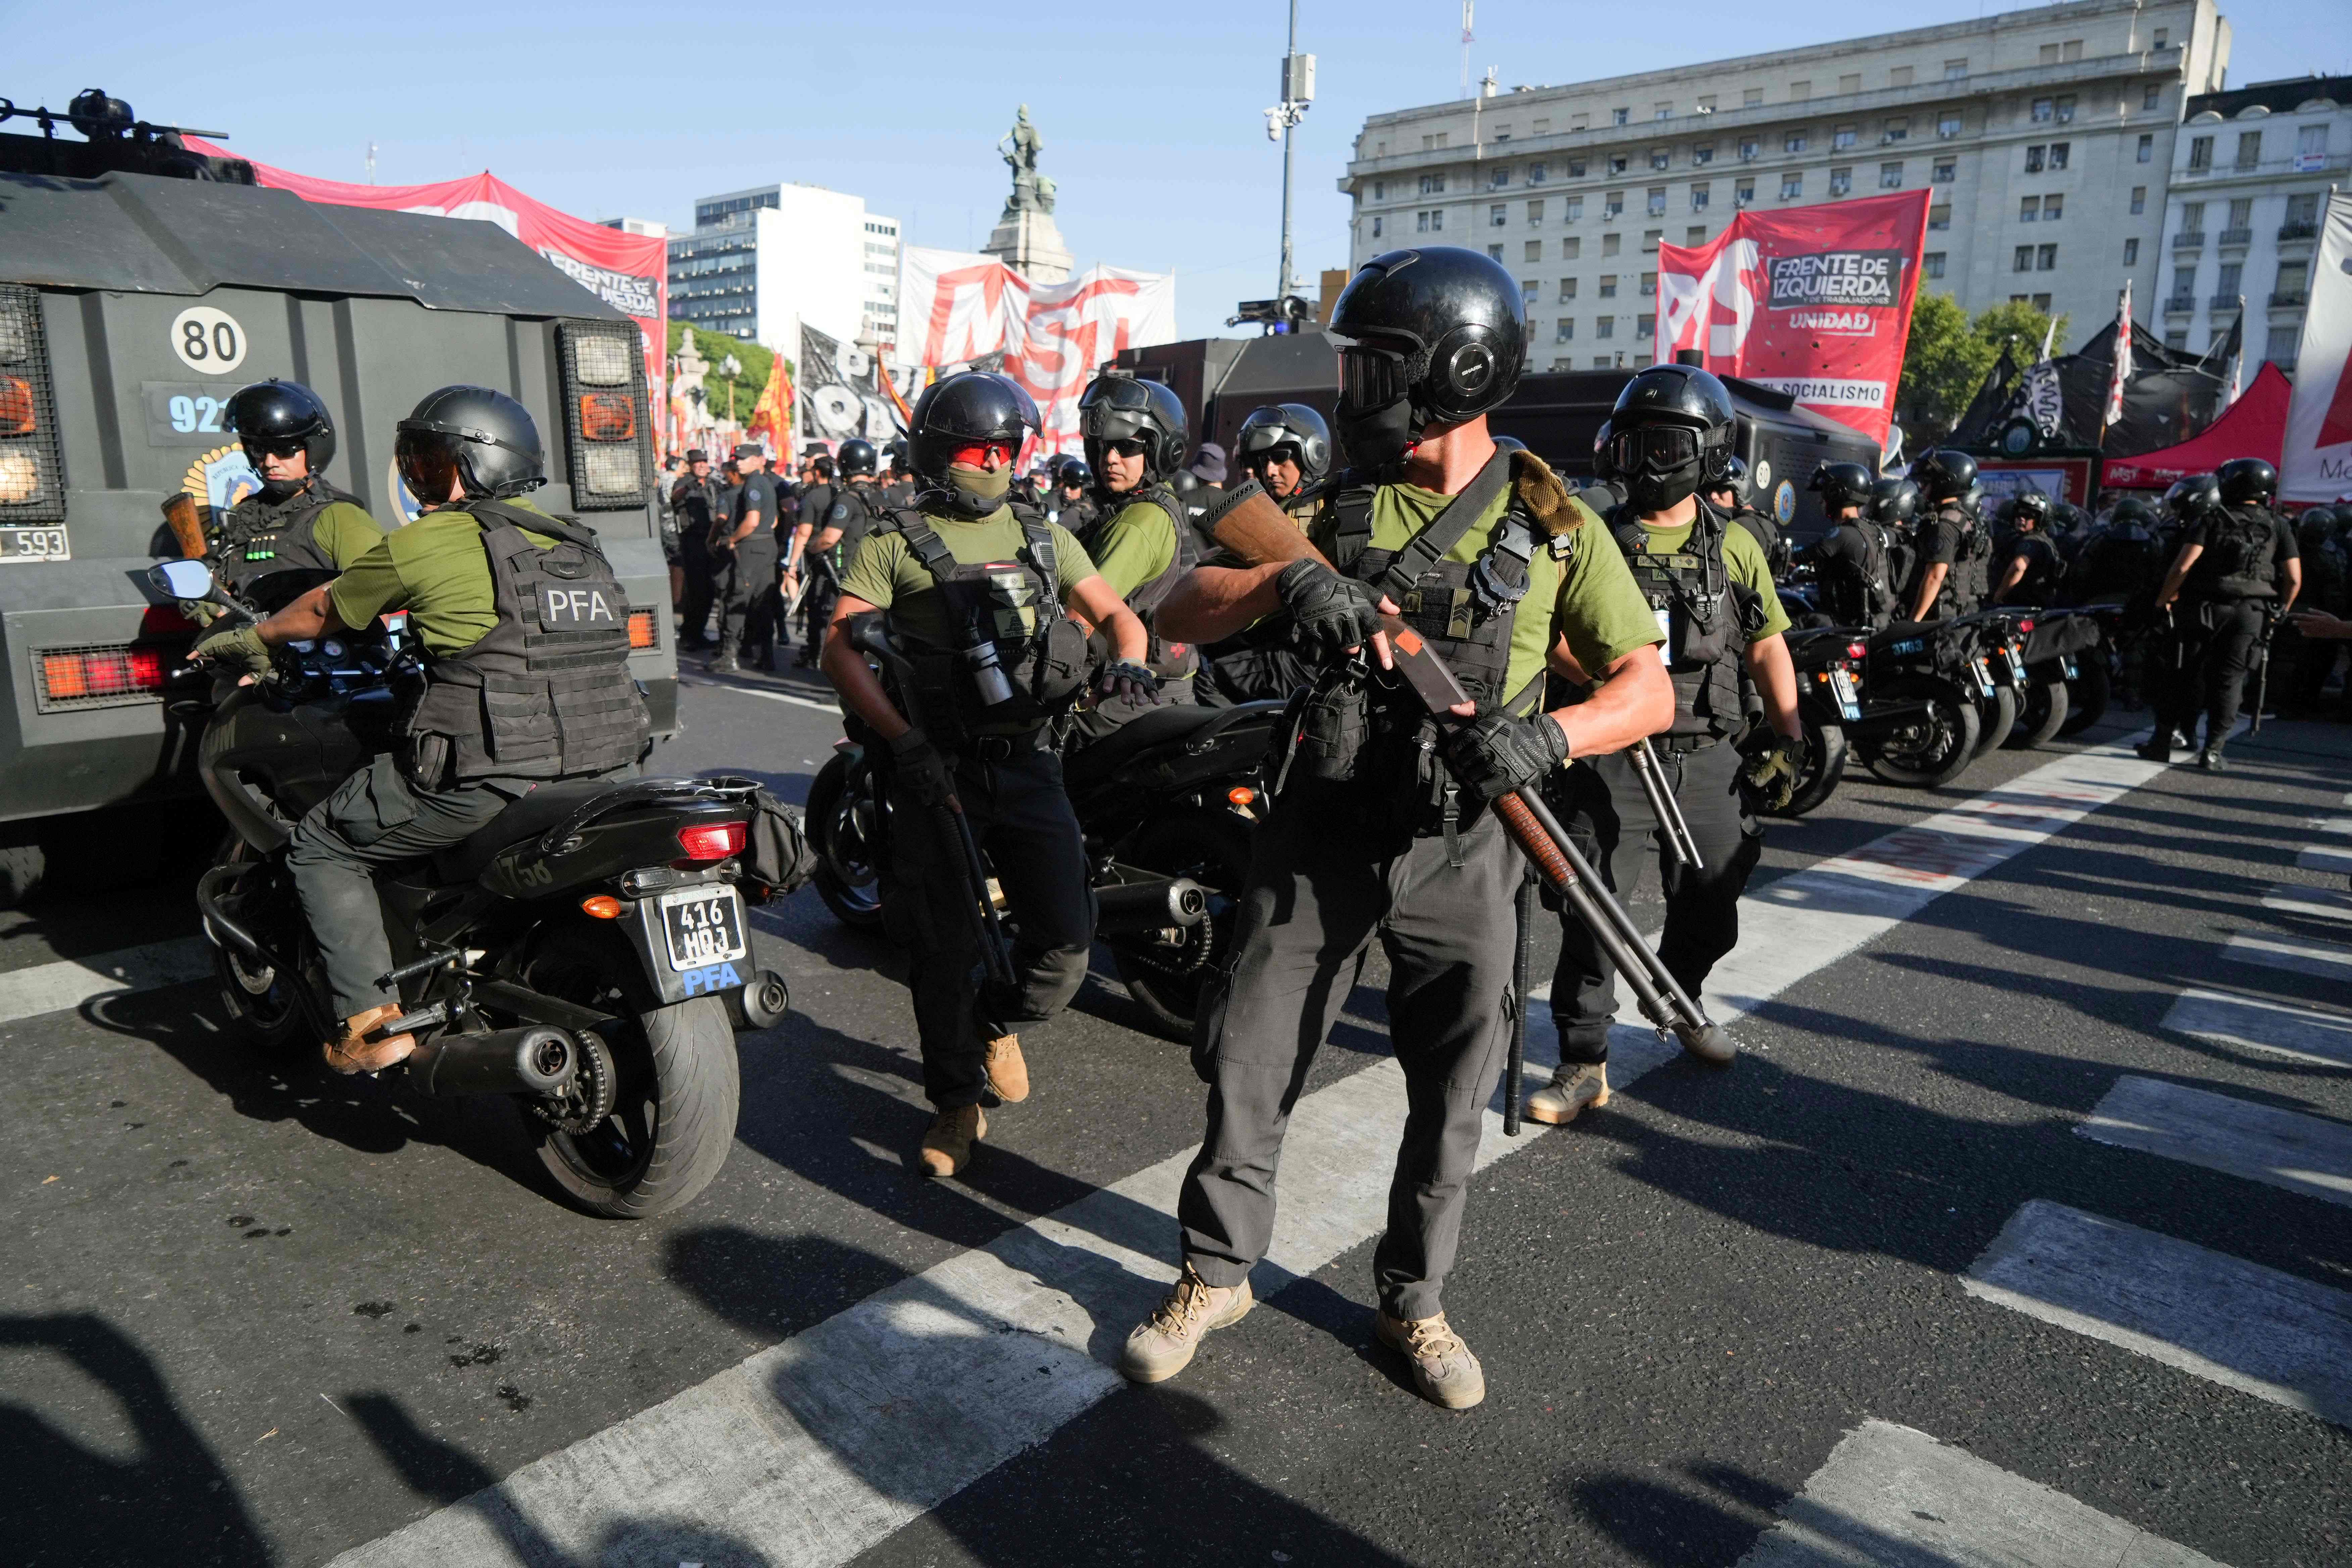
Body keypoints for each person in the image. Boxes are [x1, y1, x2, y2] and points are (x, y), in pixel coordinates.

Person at [1119, 247, 1673, 1411]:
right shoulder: (1329, 497)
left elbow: (1645, 688)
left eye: (1374, 364)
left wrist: (1550, 740)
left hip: (1464, 842)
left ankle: (1412, 1302)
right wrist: (1283, 587)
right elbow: (1176, 605)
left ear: (1453, 373)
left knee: (1456, 1085)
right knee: (1249, 1056)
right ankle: (1213, 1273)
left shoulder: (1556, 525)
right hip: (1320, 822)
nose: (1352, 386)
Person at [190, 386, 647, 1072]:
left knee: (322, 846)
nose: (422, 478)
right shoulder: (576, 543)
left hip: (488, 767)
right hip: (598, 763)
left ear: (470, 467)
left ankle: (373, 1026)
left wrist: (254, 634)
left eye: (433, 462)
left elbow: (323, 610)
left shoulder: (436, 537)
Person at [821, 372, 1156, 1177]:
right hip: (937, 766)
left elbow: (1117, 613)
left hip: (1031, 760)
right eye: (982, 449)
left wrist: (1133, 661)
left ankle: (990, 1018)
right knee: (940, 945)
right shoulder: (891, 537)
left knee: (1066, 943)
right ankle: (955, 1099)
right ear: (942, 453)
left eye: (1010, 449)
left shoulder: (1043, 533)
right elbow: (841, 645)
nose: (998, 462)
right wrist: (903, 741)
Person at [1526, 364, 1797, 1129]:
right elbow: (1542, 635)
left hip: (1708, 758)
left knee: (1715, 906)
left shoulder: (1736, 544)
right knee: (1593, 912)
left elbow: (1769, 642)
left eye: (1667, 442)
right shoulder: (1584, 533)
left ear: (1706, 450)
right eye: (1636, 439)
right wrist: (1611, 684)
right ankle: (1584, 1062)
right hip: (1613, 757)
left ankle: (1677, 997)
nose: (1649, 458)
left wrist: (1795, 736)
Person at [2141, 457, 2301, 769]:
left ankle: (2161, 743)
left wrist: (2163, 601)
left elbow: (2183, 566)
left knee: (2182, 676)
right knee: (2230, 681)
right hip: (2251, 613)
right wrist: (2280, 611)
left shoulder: (2212, 519)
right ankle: (2213, 752)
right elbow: (2294, 578)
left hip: (2201, 609)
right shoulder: (2278, 525)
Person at [1065, 375, 1200, 738]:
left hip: (1123, 699)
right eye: (1102, 446)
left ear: (1160, 449)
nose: (1110, 458)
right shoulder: (1161, 504)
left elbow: (1081, 616)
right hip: (1158, 691)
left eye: (1126, 447)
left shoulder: (1138, 523)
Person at [209, 380, 385, 609]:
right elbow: (212, 573)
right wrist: (207, 599)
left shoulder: (340, 517)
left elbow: (374, 605)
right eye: (260, 450)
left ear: (314, 449)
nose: (270, 463)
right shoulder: (241, 515)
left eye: (284, 450)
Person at [708, 443, 781, 673]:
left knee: (737, 599)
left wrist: (733, 540)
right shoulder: (768, 482)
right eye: (737, 458)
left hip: (751, 547)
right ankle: (767, 656)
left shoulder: (754, 483)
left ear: (759, 459)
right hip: (768, 544)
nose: (739, 462)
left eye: (745, 458)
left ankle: (729, 657)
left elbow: (752, 521)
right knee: (763, 602)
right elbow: (775, 520)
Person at [1802, 463, 1898, 631]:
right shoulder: (1874, 530)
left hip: (1849, 626)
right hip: (1879, 623)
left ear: (1836, 494)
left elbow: (1798, 557)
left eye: (1824, 494)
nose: (1821, 501)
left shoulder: (1841, 535)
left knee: (1793, 623)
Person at [1903, 450, 1984, 622]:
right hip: (1954, 613)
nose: (1923, 487)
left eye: (1927, 482)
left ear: (1945, 483)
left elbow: (1935, 577)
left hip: (1937, 618)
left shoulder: (1944, 526)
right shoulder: (1962, 518)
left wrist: (1913, 622)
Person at [670, 449, 722, 649]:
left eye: (704, 462)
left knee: (708, 592)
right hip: (693, 542)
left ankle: (698, 633)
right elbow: (675, 498)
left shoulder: (713, 484)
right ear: (690, 465)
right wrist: (689, 487)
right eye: (697, 462)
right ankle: (689, 636)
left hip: (711, 540)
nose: (702, 465)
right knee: (695, 591)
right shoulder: (685, 483)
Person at [1706, 455, 1787, 579]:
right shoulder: (1761, 521)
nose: (1713, 496)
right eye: (1709, 490)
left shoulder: (1740, 526)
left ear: (1740, 490)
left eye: (1721, 489)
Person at [1992, 492, 2065, 606]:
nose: (2021, 519)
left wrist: (1998, 596)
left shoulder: (2031, 542)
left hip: (2021, 608)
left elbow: (2019, 566)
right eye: (2018, 514)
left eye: (2028, 516)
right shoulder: (2046, 541)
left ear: (2041, 519)